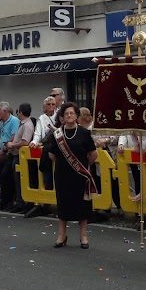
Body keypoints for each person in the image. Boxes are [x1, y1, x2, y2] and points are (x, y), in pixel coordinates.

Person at [42, 103, 97, 248]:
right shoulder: (57, 134)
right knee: (63, 204)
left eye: (72, 113)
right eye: (66, 114)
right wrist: (64, 164)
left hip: (80, 174)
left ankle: (83, 236)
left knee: (82, 204)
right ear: (62, 117)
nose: (69, 116)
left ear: (77, 115)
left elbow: (93, 154)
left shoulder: (84, 133)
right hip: (62, 174)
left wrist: (83, 167)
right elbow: (52, 155)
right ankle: (62, 235)